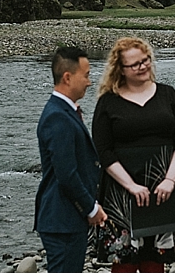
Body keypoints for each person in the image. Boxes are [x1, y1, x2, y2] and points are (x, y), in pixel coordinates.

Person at [91, 37, 175, 272]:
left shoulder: (169, 95)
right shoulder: (108, 102)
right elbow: (103, 150)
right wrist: (131, 186)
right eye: (135, 64)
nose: (143, 66)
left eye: (146, 60)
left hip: (164, 187)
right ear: (120, 69)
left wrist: (170, 180)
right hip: (122, 190)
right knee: (124, 260)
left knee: (156, 259)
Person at [35, 45, 108, 272]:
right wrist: (91, 209)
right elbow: (66, 173)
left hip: (67, 219)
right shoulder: (57, 116)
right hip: (62, 220)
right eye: (85, 75)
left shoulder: (65, 111)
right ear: (67, 77)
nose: (89, 82)